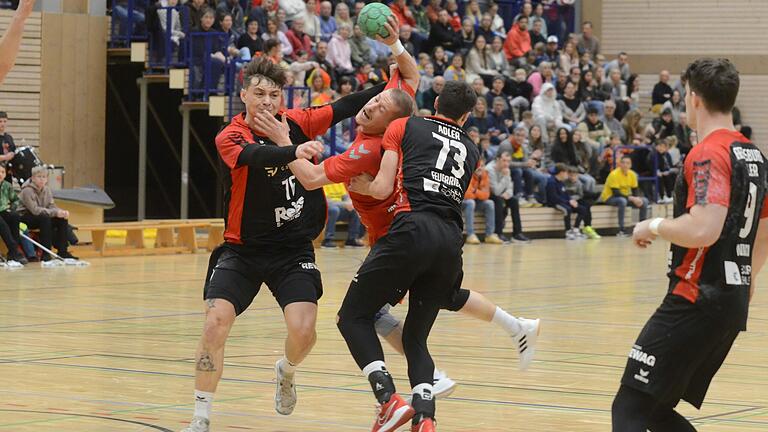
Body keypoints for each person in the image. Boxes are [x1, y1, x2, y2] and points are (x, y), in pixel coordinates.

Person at [253, 18, 537, 402]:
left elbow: (312, 177)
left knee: (365, 313)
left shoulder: (371, 146)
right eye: (373, 99)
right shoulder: (404, 116)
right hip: (428, 231)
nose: (370, 103)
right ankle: (510, 328)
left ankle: (423, 381)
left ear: (393, 120)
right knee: (442, 295)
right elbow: (410, 76)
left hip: (398, 232)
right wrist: (396, 44)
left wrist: (283, 141)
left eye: (379, 104)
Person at [179, 57, 387, 432]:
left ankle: (286, 371)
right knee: (214, 324)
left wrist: (390, 84)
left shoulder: (299, 122)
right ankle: (201, 416)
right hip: (242, 250)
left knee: (303, 331)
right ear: (243, 95)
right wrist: (293, 151)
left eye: (274, 95)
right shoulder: (231, 135)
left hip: (292, 251)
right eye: (258, 94)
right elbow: (253, 156)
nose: (266, 102)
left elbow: (344, 106)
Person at [339, 79, 537, 432]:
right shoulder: (472, 148)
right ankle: (426, 418)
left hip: (410, 229)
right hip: (449, 239)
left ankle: (387, 400)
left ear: (434, 102)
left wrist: (363, 187)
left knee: (353, 316)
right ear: (464, 118)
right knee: (415, 338)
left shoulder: (404, 125)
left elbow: (384, 187)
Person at [613, 57, 768, 432]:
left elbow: (704, 228)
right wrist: (746, 282)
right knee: (656, 409)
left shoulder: (707, 153)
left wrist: (652, 224)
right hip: (729, 301)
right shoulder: (755, 157)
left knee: (630, 407)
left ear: (694, 99)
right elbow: (764, 230)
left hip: (696, 297)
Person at [18, 166, 76, 261]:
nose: (42, 179)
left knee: (61, 219)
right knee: (45, 218)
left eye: (44, 177)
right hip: (25, 217)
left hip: (42, 216)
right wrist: (54, 212)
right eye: (39, 176)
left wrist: (60, 212)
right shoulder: (27, 190)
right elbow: (35, 210)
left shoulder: (47, 190)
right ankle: (46, 253)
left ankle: (63, 251)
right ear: (33, 178)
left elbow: (51, 205)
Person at [600, 155, 649, 237]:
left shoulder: (632, 174)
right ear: (620, 164)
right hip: (610, 197)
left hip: (626, 197)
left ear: (630, 165)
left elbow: (635, 190)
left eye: (627, 163)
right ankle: (621, 230)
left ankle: (641, 228)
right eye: (623, 163)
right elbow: (616, 192)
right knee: (622, 201)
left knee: (644, 201)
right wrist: (632, 198)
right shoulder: (614, 174)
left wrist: (636, 199)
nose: (625, 165)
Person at [488, 151, 531, 243]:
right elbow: (496, 191)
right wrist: (505, 177)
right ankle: (498, 233)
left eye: (508, 161)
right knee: (499, 200)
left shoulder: (507, 169)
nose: (506, 164)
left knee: (514, 201)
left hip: (502, 194)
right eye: (504, 160)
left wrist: (508, 193)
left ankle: (517, 233)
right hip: (489, 195)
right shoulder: (490, 169)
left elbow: (510, 188)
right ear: (497, 159)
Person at [547, 163, 593, 240]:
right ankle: (568, 231)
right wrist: (568, 202)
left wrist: (571, 200)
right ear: (561, 173)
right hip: (555, 203)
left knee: (582, 209)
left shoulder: (561, 182)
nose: (567, 175)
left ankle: (576, 229)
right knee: (567, 209)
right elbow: (554, 197)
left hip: (564, 201)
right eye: (566, 173)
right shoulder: (551, 182)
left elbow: (565, 194)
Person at [463, 156, 502, 245]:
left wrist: (475, 191)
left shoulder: (484, 175)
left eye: (482, 165)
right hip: (462, 203)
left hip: (476, 201)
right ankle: (470, 235)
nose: (480, 168)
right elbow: (467, 195)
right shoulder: (468, 174)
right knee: (470, 202)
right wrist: (478, 193)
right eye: (478, 166)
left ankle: (489, 235)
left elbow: (486, 195)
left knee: (490, 203)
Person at [321, 182, 364, 248]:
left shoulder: (339, 183)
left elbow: (346, 197)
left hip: (340, 209)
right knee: (334, 209)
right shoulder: (322, 184)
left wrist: (350, 203)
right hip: (326, 210)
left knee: (355, 210)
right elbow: (326, 201)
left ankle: (351, 239)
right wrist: (344, 204)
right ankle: (328, 239)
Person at [0, 163, 25, 264]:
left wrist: (12, 208)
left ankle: (12, 253)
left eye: (2, 172)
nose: (0, 174)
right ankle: (14, 250)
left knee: (14, 216)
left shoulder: (7, 185)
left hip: (3, 211)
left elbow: (16, 200)